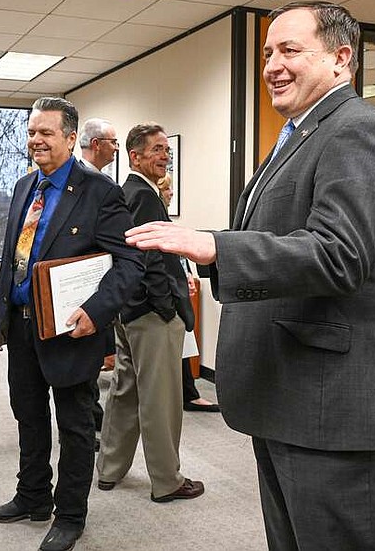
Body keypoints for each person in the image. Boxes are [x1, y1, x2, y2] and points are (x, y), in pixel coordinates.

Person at [125, 1, 375, 550]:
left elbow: (340, 254)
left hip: (337, 410)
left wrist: (216, 247)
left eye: (290, 50)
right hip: (292, 399)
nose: (271, 65)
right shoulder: (301, 133)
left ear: (341, 59)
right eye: (267, 53)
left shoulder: (359, 131)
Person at [0, 97, 144, 551]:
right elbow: (12, 259)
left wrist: (96, 313)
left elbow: (130, 263)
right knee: (29, 417)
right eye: (32, 132)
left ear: (71, 139)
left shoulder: (99, 192)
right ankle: (31, 495)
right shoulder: (22, 188)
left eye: (46, 133)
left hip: (72, 330)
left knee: (74, 426)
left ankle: (69, 515)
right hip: (21, 327)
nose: (36, 140)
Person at [96, 123, 202, 503]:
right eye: (156, 150)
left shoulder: (131, 192)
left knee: (125, 391)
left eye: (166, 151)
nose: (164, 156)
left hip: (130, 311)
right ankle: (167, 480)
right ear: (135, 156)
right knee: (160, 399)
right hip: (151, 315)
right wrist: (165, 304)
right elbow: (150, 257)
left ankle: (109, 469)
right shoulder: (142, 194)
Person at [156, 175, 219, 413]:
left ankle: (189, 393)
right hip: (167, 293)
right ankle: (188, 394)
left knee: (185, 342)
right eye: (168, 188)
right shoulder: (152, 211)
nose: (172, 192)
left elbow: (180, 253)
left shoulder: (168, 219)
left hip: (179, 287)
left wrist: (189, 275)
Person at [77, 117, 121, 444]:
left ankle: (89, 417)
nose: (117, 148)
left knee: (89, 364)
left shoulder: (104, 184)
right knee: (81, 366)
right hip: (77, 287)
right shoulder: (81, 182)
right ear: (97, 145)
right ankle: (85, 420)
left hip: (97, 287)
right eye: (113, 142)